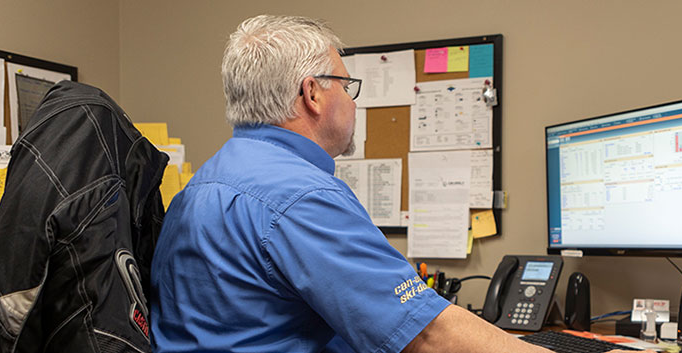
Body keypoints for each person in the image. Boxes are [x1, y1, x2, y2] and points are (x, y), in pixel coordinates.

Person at [150, 15, 644, 353]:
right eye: (346, 84)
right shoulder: (301, 196)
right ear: (312, 94)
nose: (353, 101)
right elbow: (426, 336)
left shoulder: (202, 183)